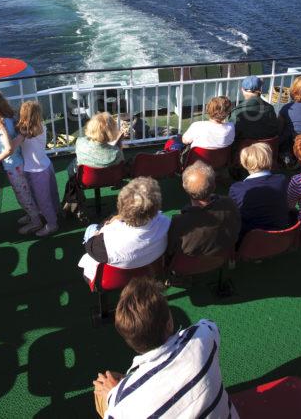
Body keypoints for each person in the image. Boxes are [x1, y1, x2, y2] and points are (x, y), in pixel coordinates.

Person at [93, 277, 239, 419]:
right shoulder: (202, 338)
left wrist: (113, 395)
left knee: (102, 388)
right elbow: (209, 325)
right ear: (169, 324)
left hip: (125, 399)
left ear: (130, 342)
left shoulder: (121, 404)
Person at [79, 177, 170, 283]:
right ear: (156, 206)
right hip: (151, 270)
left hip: (113, 280)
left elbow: (90, 247)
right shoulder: (166, 222)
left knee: (91, 228)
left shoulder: (107, 240)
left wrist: (99, 232)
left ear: (121, 208)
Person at [0, 90, 41, 234]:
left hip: (14, 165)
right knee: (24, 192)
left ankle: (36, 221)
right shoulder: (8, 119)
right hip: (17, 164)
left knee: (23, 195)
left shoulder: (2, 125)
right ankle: (32, 215)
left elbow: (8, 150)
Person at [167, 160, 240, 260]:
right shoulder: (229, 204)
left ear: (185, 189)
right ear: (214, 186)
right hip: (220, 258)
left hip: (188, 266)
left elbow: (170, 249)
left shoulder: (179, 222)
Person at [14, 101, 60, 236]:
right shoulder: (41, 126)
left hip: (36, 171)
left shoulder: (25, 132)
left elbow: (13, 147)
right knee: (51, 194)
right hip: (45, 165)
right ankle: (54, 212)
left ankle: (52, 224)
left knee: (42, 200)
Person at [229, 143, 291, 238]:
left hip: (248, 240)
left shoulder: (236, 189)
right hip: (279, 237)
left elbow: (233, 215)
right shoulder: (281, 179)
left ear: (245, 163)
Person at [68, 112, 124, 176]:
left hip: (86, 178)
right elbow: (121, 162)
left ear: (90, 126)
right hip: (109, 178)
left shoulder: (80, 142)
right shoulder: (116, 152)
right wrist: (119, 144)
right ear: (112, 131)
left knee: (74, 162)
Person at [232, 75, 278, 141]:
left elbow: (232, 136)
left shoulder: (236, 112)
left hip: (244, 149)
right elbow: (274, 130)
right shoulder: (270, 109)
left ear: (242, 90)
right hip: (266, 148)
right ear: (260, 90)